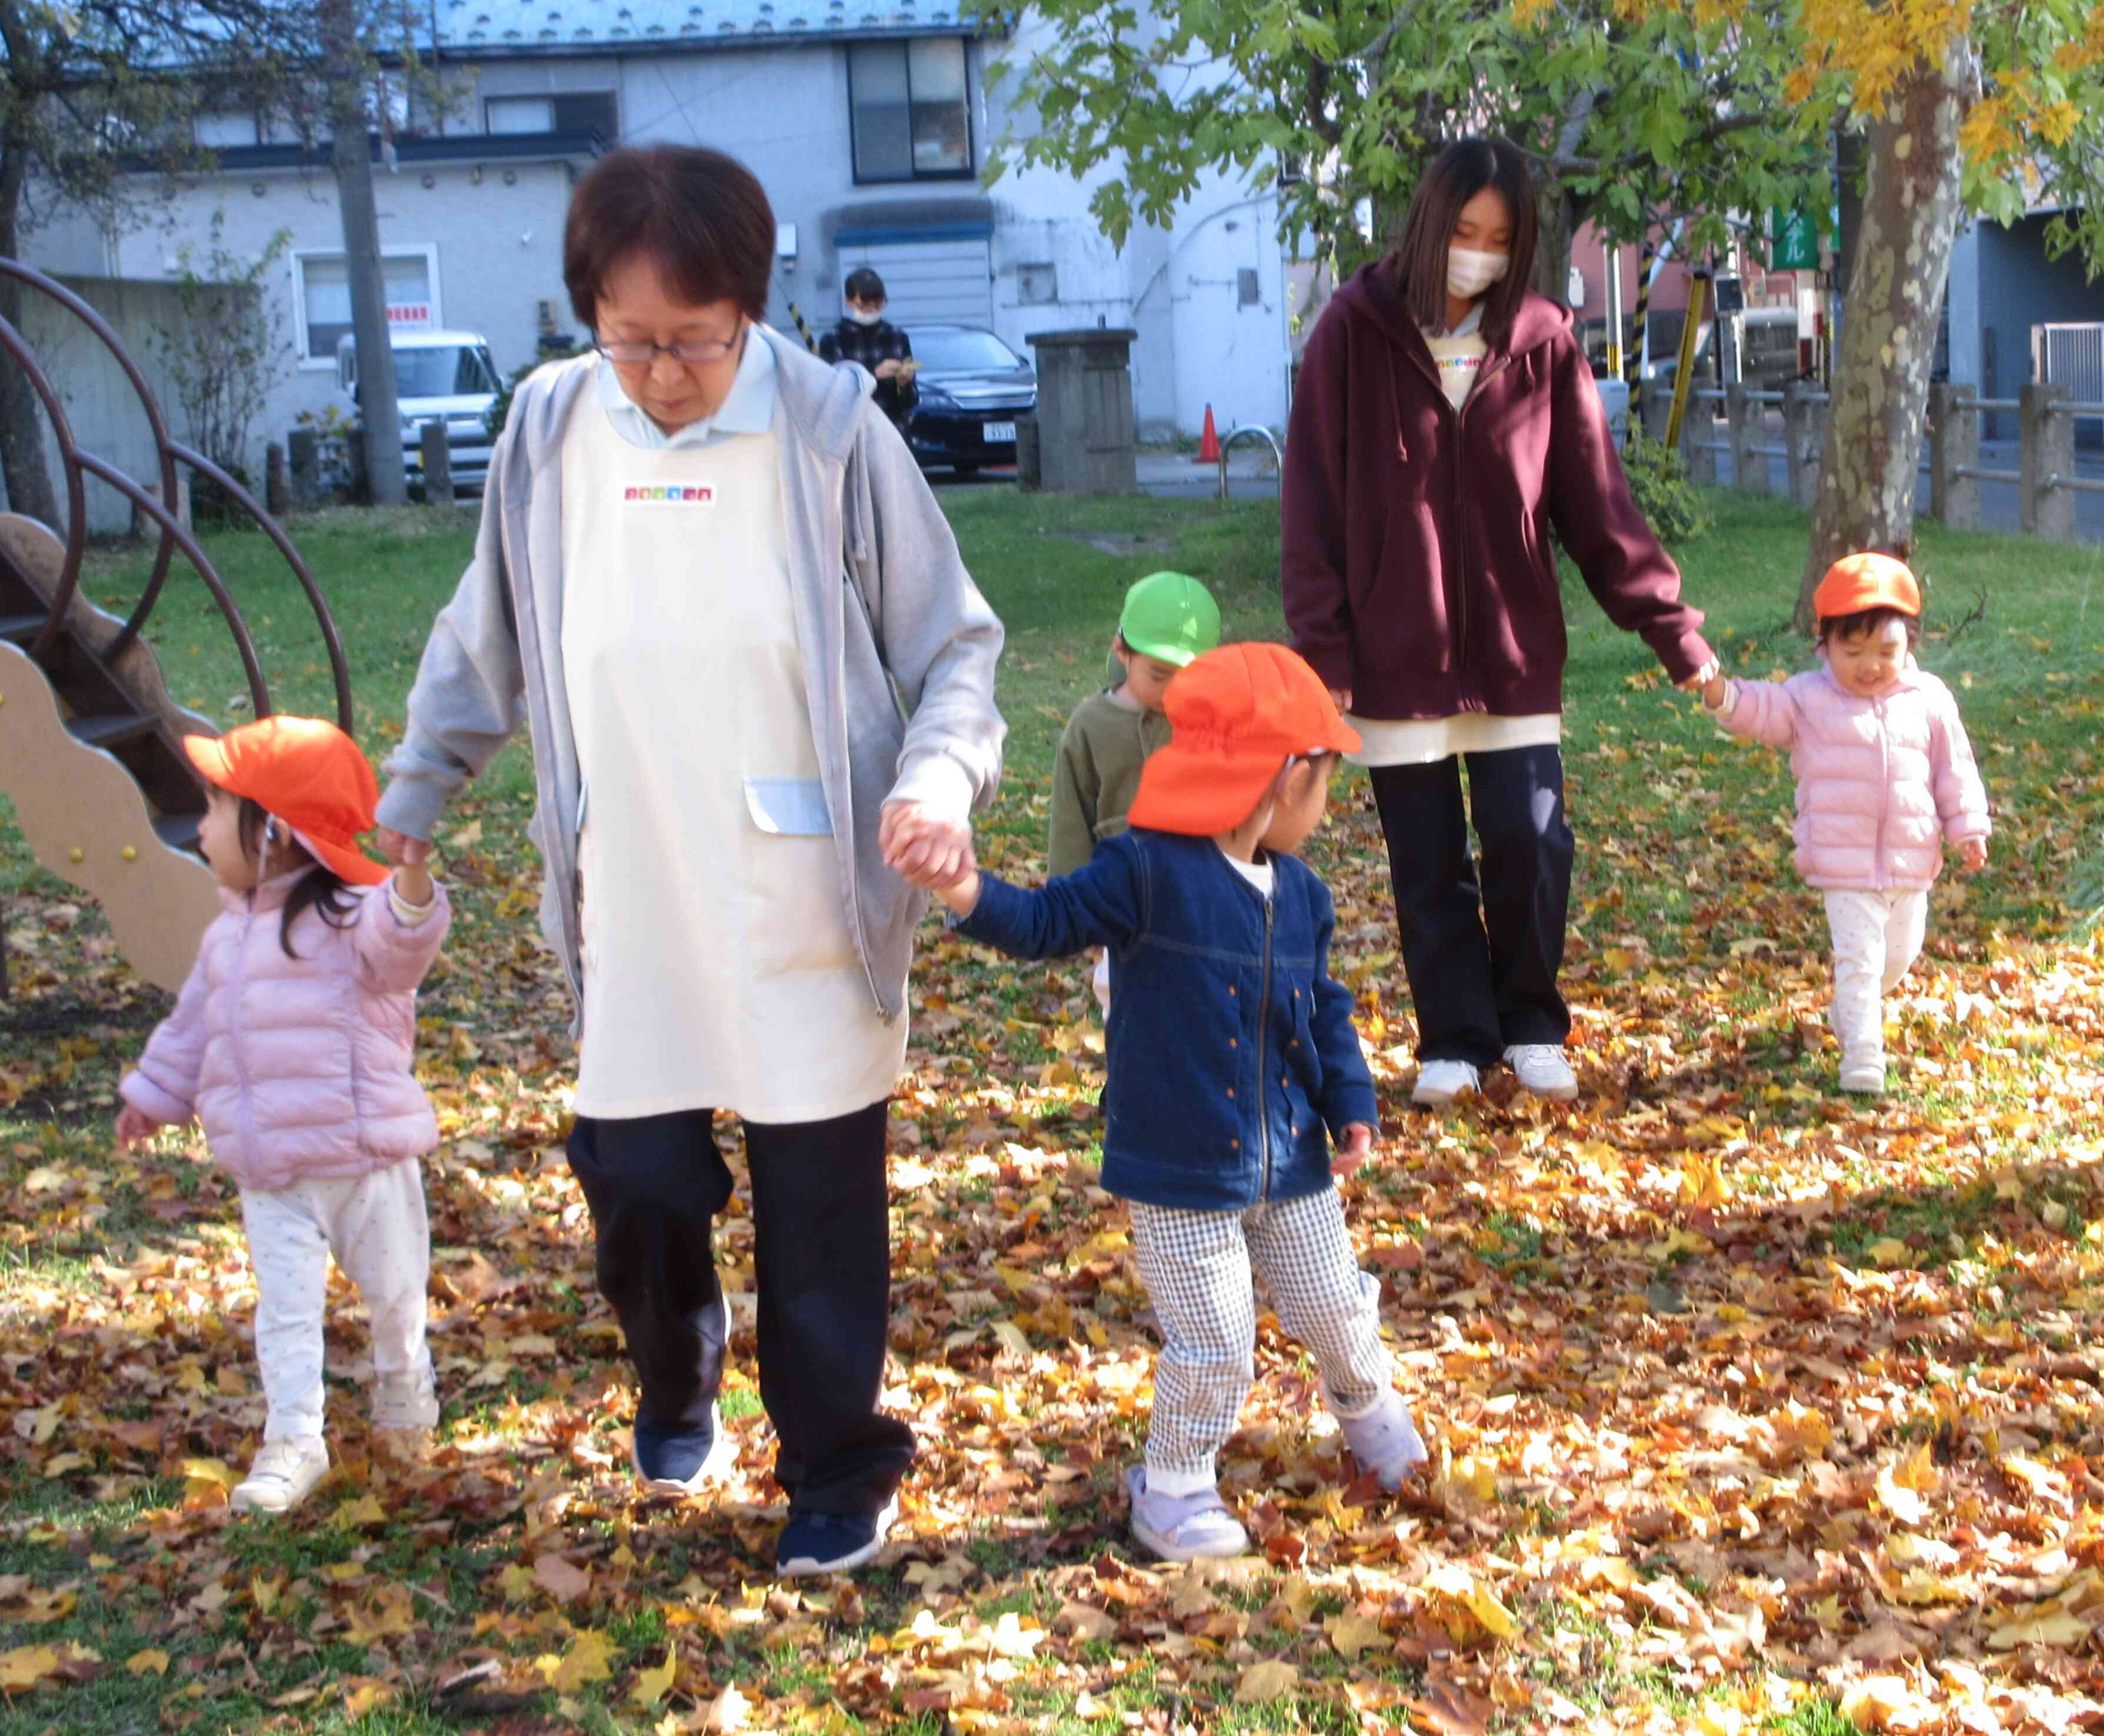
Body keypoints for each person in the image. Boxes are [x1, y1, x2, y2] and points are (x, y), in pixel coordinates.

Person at [373, 144, 1005, 1577]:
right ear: (589, 310)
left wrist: (936, 773)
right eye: (632, 339)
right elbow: (486, 635)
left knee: (819, 1197)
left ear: (752, 306)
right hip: (630, 874)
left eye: (697, 342)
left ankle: (839, 1462)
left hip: (807, 880)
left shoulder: (833, 427)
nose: (663, 374)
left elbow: (954, 643)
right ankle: (676, 1376)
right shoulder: (546, 430)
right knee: (641, 1174)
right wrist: (422, 778)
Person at [905, 643, 1426, 1561]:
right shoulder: (1146, 869)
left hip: (1291, 1157)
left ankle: (1369, 1412)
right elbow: (1045, 923)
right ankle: (1175, 1485)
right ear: (1284, 775)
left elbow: (1325, 1006)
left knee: (1336, 1303)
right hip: (1180, 1167)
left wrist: (1352, 1100)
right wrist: (960, 886)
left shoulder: (1301, 892)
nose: (1327, 803)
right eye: (1325, 780)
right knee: (1216, 1336)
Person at [1280, 136, 1718, 1111]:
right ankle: (1452, 1035)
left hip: (1512, 653)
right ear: (1428, 226)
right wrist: (1324, 649)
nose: (1474, 252)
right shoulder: (1352, 330)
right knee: (1424, 859)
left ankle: (1529, 1022)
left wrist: (1670, 630)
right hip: (1393, 657)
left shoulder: (1541, 337)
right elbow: (1309, 503)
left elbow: (1594, 505)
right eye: (1461, 232)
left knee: (1531, 842)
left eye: (1497, 237)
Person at [114, 716, 450, 1516]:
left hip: (366, 1161)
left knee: (398, 1292)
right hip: (273, 1175)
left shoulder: (352, 917)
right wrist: (152, 1095)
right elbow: (191, 1028)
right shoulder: (226, 937)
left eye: (215, 809)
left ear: (275, 833)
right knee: (287, 1310)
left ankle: (405, 1389)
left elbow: (403, 947)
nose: (198, 827)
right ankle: (294, 1438)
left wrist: (407, 883)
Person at [1700, 553, 1989, 1094]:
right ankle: (1863, 1057)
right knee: (1860, 960)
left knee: (1898, 958)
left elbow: (1956, 768)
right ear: (1824, 645)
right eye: (1852, 651)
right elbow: (1761, 710)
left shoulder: (1929, 701)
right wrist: (1722, 694)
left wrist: (1968, 826)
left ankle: (1850, 1013)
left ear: (1910, 645)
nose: (1870, 665)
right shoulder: (1809, 699)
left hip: (1911, 860)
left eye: (1887, 650)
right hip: (1844, 863)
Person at [1049, 571, 1222, 1011]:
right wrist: (1075, 908)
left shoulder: (1212, 721)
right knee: (1126, 1011)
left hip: (1201, 904)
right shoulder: (1090, 726)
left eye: (1189, 675)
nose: (1173, 690)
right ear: (1122, 651)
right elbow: (1070, 823)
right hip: (1121, 903)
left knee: (1203, 1009)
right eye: (1159, 674)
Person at [817, 268, 916, 430]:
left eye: (878, 302)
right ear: (848, 302)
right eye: (865, 301)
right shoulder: (833, 339)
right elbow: (831, 396)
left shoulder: (898, 337)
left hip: (892, 432)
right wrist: (874, 375)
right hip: (852, 434)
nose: (872, 307)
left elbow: (910, 402)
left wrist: (904, 384)